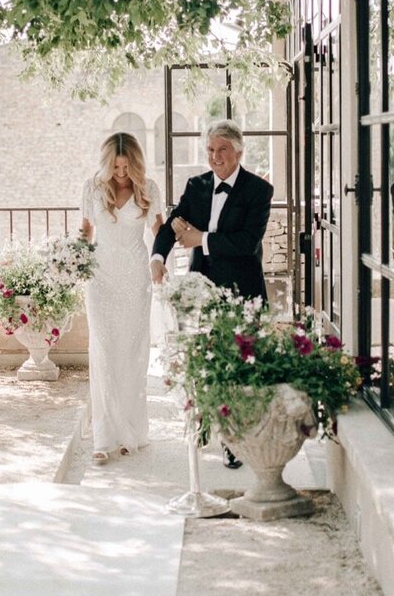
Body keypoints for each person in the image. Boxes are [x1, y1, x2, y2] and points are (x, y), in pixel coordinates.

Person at [150, 119, 274, 469]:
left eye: (222, 150)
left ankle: (241, 436)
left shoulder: (258, 191)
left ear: (238, 152)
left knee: (243, 367)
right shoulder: (198, 185)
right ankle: (218, 433)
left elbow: (247, 244)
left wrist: (200, 239)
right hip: (202, 292)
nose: (215, 156)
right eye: (210, 150)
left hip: (243, 291)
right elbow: (174, 223)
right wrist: (159, 257)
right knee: (210, 364)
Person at [80, 133, 164, 465]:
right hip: (99, 279)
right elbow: (85, 231)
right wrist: (72, 260)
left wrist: (161, 260)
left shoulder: (149, 189)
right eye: (115, 166)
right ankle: (104, 437)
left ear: (136, 163)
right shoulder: (93, 188)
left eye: (127, 166)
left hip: (134, 279)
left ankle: (131, 432)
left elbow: (160, 231)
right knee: (103, 352)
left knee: (131, 353)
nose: (121, 172)